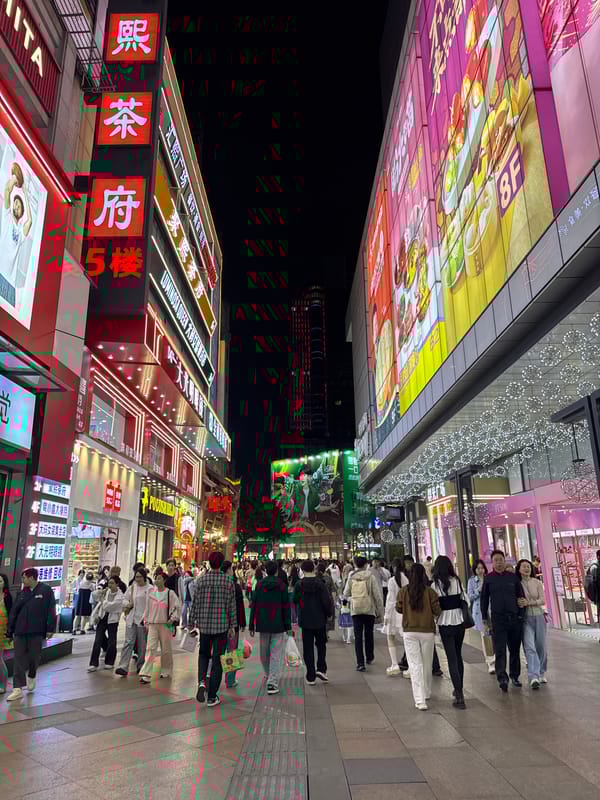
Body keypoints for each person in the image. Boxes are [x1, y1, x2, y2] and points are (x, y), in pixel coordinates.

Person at [189, 550, 236, 707]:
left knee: (203, 655)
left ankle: (202, 682)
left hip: (204, 626)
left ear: (208, 562)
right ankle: (212, 696)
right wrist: (232, 626)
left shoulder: (200, 581)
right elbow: (231, 606)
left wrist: (191, 623)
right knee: (217, 660)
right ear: (222, 564)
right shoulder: (228, 581)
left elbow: (194, 604)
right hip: (221, 627)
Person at [6, 568, 57, 702]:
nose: (22, 580)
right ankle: (17, 688)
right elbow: (14, 612)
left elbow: (51, 609)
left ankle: (32, 675)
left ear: (31, 577)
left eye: (24, 578)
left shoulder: (45, 590)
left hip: (36, 630)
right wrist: (10, 631)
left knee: (34, 656)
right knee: (18, 657)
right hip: (20, 630)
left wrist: (51, 627)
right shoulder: (22, 593)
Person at [396, 563, 441, 711]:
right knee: (427, 664)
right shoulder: (430, 592)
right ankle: (426, 692)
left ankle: (420, 699)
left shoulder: (403, 591)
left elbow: (399, 608)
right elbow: (437, 610)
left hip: (409, 631)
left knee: (415, 665)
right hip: (427, 631)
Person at [481, 549, 525, 693]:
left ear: (504, 561)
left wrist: (520, 615)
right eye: (496, 560)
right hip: (497, 620)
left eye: (501, 560)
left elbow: (521, 597)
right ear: (492, 563)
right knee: (499, 650)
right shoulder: (488, 579)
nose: (499, 563)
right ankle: (502, 678)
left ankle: (515, 676)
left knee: (514, 649)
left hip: (514, 619)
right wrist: (484, 618)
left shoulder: (513, 578)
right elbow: (484, 600)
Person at [249, 559, 291, 694]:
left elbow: (253, 605)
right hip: (278, 624)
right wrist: (288, 625)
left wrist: (251, 624)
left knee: (263, 653)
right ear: (277, 571)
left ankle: (269, 675)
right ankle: (272, 681)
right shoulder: (282, 586)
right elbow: (286, 607)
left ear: (265, 571)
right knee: (275, 654)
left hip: (263, 623)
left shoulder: (260, 585)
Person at [431, 555, 468, 709]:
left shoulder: (435, 585)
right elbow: (465, 599)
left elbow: (435, 607)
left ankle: (459, 695)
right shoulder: (457, 581)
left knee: (451, 658)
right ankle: (459, 690)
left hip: (445, 622)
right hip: (459, 620)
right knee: (458, 656)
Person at [293, 559, 333, 684]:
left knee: (307, 647)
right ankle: (321, 669)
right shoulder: (320, 583)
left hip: (305, 620)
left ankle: (310, 675)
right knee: (321, 645)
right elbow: (326, 601)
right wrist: (329, 614)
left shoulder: (299, 584)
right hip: (320, 619)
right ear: (313, 569)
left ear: (303, 570)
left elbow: (294, 600)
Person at [138, 570, 180, 683]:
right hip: (152, 624)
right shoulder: (151, 593)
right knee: (150, 648)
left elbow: (177, 606)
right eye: (156, 578)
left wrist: (173, 619)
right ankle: (146, 673)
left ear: (164, 580)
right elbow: (147, 608)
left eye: (160, 578)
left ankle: (166, 670)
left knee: (166, 649)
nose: (157, 580)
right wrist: (145, 620)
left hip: (165, 625)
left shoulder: (169, 593)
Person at [343, 556, 384, 671]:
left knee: (358, 636)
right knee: (369, 634)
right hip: (369, 610)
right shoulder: (370, 577)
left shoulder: (351, 577)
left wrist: (351, 600)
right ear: (366, 565)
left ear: (355, 564)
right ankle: (369, 657)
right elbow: (377, 595)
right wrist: (380, 610)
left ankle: (360, 663)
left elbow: (345, 593)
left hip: (356, 610)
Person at [517, 559, 548, 689]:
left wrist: (529, 602)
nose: (526, 568)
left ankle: (541, 672)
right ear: (518, 569)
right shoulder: (517, 584)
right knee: (529, 647)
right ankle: (533, 675)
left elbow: (542, 600)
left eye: (528, 566)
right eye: (523, 566)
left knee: (541, 646)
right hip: (525, 618)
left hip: (539, 616)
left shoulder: (537, 582)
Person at [116, 569, 151, 677]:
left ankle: (141, 666)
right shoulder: (132, 587)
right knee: (128, 642)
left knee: (142, 644)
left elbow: (152, 605)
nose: (138, 579)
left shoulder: (150, 589)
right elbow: (124, 599)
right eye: (136, 577)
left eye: (140, 577)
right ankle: (123, 666)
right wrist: (129, 604)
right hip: (131, 619)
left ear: (144, 577)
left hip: (143, 620)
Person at [88, 576, 124, 672]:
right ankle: (93, 663)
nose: (110, 585)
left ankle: (110, 662)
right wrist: (102, 592)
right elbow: (94, 595)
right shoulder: (106, 592)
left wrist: (104, 601)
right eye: (109, 583)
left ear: (117, 584)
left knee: (112, 641)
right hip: (102, 618)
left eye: (112, 583)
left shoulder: (120, 595)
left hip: (113, 620)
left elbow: (111, 607)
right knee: (97, 640)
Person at [468, 560, 495, 674]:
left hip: (492, 609)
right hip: (480, 612)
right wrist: (479, 589)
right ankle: (490, 662)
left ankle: (496, 658)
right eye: (478, 568)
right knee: (486, 636)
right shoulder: (472, 581)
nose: (480, 570)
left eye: (482, 568)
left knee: (494, 636)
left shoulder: (489, 579)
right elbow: (471, 596)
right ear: (474, 570)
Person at [222, 562, 246, 689]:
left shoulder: (219, 583)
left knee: (218, 652)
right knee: (231, 652)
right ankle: (230, 680)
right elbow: (239, 606)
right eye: (231, 568)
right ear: (228, 570)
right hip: (233, 624)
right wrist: (242, 622)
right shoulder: (234, 586)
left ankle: (211, 677)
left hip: (218, 624)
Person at [382, 560, 408, 676]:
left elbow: (390, 600)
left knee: (390, 637)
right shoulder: (407, 579)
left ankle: (394, 664)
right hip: (405, 611)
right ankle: (410, 667)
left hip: (394, 611)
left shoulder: (392, 581)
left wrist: (386, 615)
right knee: (407, 639)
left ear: (393, 567)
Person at [0, 573, 13, 694]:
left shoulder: (7, 597)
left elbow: (11, 614)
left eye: (0, 581)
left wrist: (10, 632)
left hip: (2, 631)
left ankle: (3, 685)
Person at [316, 561, 336, 636]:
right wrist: (333, 601)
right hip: (328, 599)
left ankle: (321, 632)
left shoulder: (316, 578)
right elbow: (333, 590)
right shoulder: (329, 578)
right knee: (328, 617)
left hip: (318, 600)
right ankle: (326, 634)